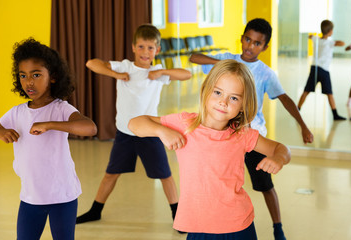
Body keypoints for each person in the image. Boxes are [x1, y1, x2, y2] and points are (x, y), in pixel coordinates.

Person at [128, 59, 291, 239]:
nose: (223, 102)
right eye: (218, 92)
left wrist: (278, 159)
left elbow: (281, 149)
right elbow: (134, 123)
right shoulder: (185, 123)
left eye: (234, 98)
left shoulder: (243, 134)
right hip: (199, 227)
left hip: (238, 226)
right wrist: (161, 131)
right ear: (206, 90)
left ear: (243, 106)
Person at [189, 18, 313, 240]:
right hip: (225, 135)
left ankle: (278, 227)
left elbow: (285, 99)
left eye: (257, 43)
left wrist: (303, 125)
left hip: (251, 137)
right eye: (247, 39)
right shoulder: (227, 60)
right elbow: (193, 57)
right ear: (242, 38)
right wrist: (221, 65)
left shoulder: (265, 73)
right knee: (215, 180)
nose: (250, 46)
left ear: (264, 47)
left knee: (265, 186)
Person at [76, 24, 192, 227]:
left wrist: (162, 71)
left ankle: (178, 216)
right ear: (133, 47)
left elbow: (187, 74)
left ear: (157, 50)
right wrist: (116, 75)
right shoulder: (125, 67)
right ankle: (96, 210)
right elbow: (91, 63)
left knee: (165, 175)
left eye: (150, 48)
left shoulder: (158, 72)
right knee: (111, 174)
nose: (145, 52)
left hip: (150, 133)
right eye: (141, 46)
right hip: (125, 134)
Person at [0, 38, 97, 239]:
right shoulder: (17, 112)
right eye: (23, 75)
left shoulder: (61, 108)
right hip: (31, 197)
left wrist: (49, 124)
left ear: (52, 77)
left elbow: (89, 128)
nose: (29, 82)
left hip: (62, 196)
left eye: (36, 75)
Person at [297, 20, 347, 120]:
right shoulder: (330, 43)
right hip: (324, 70)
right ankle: (335, 114)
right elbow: (342, 43)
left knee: (306, 90)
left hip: (314, 68)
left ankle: (297, 109)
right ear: (330, 31)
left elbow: (310, 36)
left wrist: (313, 36)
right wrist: (334, 42)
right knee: (329, 93)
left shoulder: (316, 39)